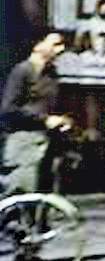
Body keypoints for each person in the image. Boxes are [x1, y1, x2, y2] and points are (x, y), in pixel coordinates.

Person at [1, 29, 71, 196]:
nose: (60, 50)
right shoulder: (22, 71)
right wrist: (44, 119)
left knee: (45, 197)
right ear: (38, 45)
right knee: (22, 196)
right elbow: (8, 108)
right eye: (55, 44)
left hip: (48, 143)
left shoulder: (51, 74)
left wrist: (62, 121)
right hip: (25, 143)